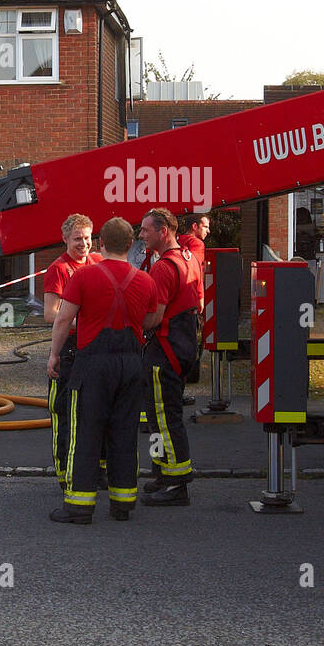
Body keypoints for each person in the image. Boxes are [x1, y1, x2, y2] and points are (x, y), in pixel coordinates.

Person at [46, 216, 157, 524]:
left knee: (86, 432)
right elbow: (150, 321)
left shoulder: (84, 277)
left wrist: (54, 355)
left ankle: (79, 507)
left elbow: (63, 319)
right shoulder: (146, 280)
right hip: (132, 365)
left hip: (93, 364)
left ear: (101, 244)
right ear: (131, 245)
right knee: (124, 434)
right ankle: (123, 504)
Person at [138, 207, 201, 506]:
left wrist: (127, 322)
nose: (140, 235)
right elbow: (197, 304)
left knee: (163, 418)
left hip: (164, 350)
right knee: (155, 416)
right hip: (184, 346)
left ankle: (176, 485)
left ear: (163, 231)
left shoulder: (163, 268)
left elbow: (153, 318)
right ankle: (162, 473)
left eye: (145, 230)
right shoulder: (189, 258)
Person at [42, 214, 101, 487]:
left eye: (88, 237)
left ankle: (96, 470)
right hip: (69, 347)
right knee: (63, 411)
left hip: (94, 348)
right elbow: (50, 314)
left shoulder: (98, 262)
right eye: (78, 238)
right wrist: (84, 322)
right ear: (65, 239)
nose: (84, 244)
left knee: (94, 411)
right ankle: (64, 473)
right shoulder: (59, 269)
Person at [177, 213, 210, 393]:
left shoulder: (177, 241)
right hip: (191, 304)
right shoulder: (197, 244)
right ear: (195, 226)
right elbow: (195, 271)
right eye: (205, 226)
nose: (208, 230)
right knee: (192, 348)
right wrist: (201, 300)